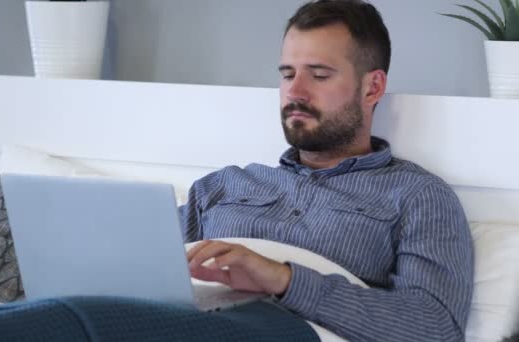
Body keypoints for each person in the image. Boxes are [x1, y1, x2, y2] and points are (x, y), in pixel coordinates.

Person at [184, 1, 474, 341]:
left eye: (319, 75)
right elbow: (143, 269)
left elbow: (435, 328)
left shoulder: (417, 197)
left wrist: (284, 280)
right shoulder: (222, 186)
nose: (294, 91)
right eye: (287, 74)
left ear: (372, 88)